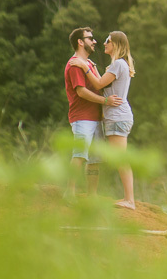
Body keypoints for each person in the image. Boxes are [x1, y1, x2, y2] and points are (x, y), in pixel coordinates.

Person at [70, 30, 136, 209]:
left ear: (116, 44)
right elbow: (103, 84)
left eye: (108, 41)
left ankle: (130, 200)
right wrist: (91, 68)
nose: (104, 43)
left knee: (120, 158)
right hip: (116, 116)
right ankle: (129, 198)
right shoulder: (118, 65)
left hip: (117, 116)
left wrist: (84, 67)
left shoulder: (118, 64)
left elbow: (98, 84)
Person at [64, 27, 122, 199]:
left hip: (95, 117)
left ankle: (92, 196)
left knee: (95, 159)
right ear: (80, 42)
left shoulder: (88, 64)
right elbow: (81, 92)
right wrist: (105, 101)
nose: (95, 41)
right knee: (80, 155)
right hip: (82, 117)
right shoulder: (75, 64)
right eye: (90, 38)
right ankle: (69, 193)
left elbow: (99, 85)